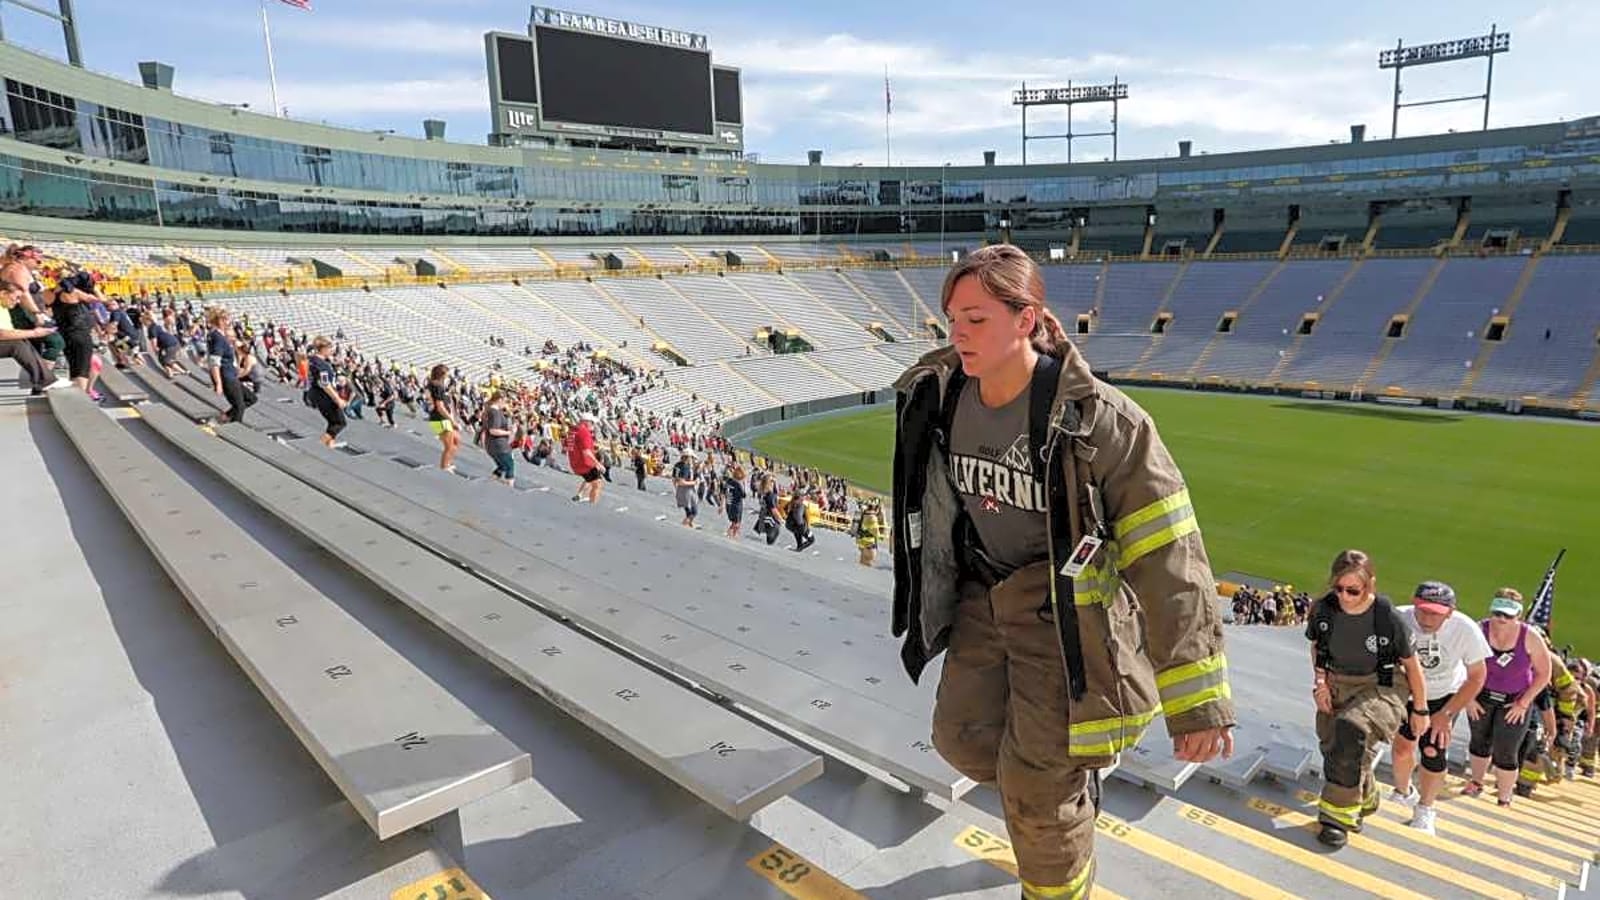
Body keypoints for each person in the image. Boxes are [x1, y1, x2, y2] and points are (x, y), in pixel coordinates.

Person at [891, 245, 1233, 897]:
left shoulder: (1104, 423)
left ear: (1026, 320)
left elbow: (1172, 560)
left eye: (975, 319)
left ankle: (1055, 876)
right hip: (982, 600)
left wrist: (1198, 705)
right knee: (960, 741)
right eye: (951, 320)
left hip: (1065, 619)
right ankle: (1069, 783)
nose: (957, 334)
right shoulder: (935, 396)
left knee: (1035, 789)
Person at [1306, 550, 1427, 848]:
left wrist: (1420, 710)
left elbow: (1412, 666)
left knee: (1351, 729)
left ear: (1370, 584)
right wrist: (1320, 683)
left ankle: (1337, 819)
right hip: (1339, 681)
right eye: (1339, 589)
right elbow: (1318, 649)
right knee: (1335, 747)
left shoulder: (1387, 617)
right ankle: (1366, 794)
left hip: (1384, 685)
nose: (1345, 597)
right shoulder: (1323, 610)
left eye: (1353, 590)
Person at [1387, 581, 1489, 836]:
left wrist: (1447, 714)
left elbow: (1477, 676)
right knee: (1402, 747)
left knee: (1433, 749)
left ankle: (1425, 809)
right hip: (1407, 691)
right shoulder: (1398, 618)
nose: (1427, 618)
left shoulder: (1465, 629)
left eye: (1435, 613)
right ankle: (1402, 791)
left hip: (1444, 696)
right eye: (1422, 610)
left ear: (1450, 613)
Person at [1462, 590, 1551, 805]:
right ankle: (1476, 781)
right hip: (1481, 693)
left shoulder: (1530, 637)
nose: (1501, 619)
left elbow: (1544, 674)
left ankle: (1504, 796)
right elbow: (1461, 663)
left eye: (1508, 615)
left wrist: (1523, 702)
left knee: (1506, 749)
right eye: (1497, 613)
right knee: (1479, 740)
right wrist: (1468, 698)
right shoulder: (1478, 630)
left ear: (1518, 616)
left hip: (1515, 699)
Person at [0, 283, 61, 395]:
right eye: (16, 297)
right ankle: (44, 380)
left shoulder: (4, 307)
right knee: (16, 345)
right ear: (3, 293)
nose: (18, 301)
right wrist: (34, 333)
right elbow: (2, 334)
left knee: (22, 341)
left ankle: (45, 379)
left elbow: (9, 332)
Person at [205, 307, 248, 424]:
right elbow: (214, 362)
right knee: (239, 407)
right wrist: (218, 383)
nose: (228, 322)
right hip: (227, 377)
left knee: (250, 398)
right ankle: (235, 429)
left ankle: (225, 416)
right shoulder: (217, 337)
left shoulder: (216, 335)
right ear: (220, 320)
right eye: (226, 319)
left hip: (231, 375)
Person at [306, 337, 347, 449]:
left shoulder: (313, 360)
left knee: (332, 421)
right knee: (340, 423)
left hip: (316, 394)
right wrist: (337, 399)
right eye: (329, 348)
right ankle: (318, 446)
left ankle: (330, 443)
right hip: (324, 397)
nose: (331, 351)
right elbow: (325, 384)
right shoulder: (321, 365)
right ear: (323, 348)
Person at [425, 363, 460, 472]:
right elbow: (440, 407)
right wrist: (452, 420)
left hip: (438, 418)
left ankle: (447, 463)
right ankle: (444, 467)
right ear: (441, 375)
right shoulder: (437, 387)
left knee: (456, 440)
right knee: (449, 446)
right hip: (440, 419)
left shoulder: (432, 385)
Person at [566, 413, 604, 504]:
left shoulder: (572, 430)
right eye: (592, 423)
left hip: (574, 463)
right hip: (585, 463)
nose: (593, 425)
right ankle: (592, 505)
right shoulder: (584, 432)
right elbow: (586, 452)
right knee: (597, 483)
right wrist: (598, 464)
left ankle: (581, 495)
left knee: (590, 480)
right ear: (587, 422)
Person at [482, 393, 516, 487]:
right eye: (504, 401)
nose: (505, 404)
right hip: (499, 445)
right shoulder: (495, 412)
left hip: (492, 445)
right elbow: (493, 430)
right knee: (510, 466)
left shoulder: (490, 411)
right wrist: (509, 433)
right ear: (499, 400)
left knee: (502, 466)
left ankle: (491, 481)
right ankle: (510, 487)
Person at [673, 449, 699, 527]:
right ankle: (685, 524)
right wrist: (694, 482)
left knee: (689, 510)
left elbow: (674, 479)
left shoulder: (677, 464)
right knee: (693, 511)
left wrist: (675, 488)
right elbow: (682, 482)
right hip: (686, 489)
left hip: (680, 489)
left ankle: (689, 523)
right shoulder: (685, 467)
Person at [855, 499, 883, 567]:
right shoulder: (873, 518)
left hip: (862, 543)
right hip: (869, 545)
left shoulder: (865, 513)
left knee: (862, 563)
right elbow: (877, 534)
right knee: (868, 565)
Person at [755, 475, 780, 546]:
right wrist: (780, 519)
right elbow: (773, 509)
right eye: (772, 481)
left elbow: (776, 492)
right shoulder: (770, 495)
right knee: (775, 530)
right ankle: (769, 546)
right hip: (769, 515)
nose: (773, 482)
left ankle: (769, 545)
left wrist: (775, 482)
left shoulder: (762, 491)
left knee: (771, 531)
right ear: (768, 483)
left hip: (763, 514)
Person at [723, 463, 746, 539]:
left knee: (735, 522)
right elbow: (743, 495)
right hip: (736, 505)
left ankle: (734, 534)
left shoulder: (729, 481)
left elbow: (724, 491)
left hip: (729, 503)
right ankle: (730, 533)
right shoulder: (738, 484)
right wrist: (744, 485)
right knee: (736, 522)